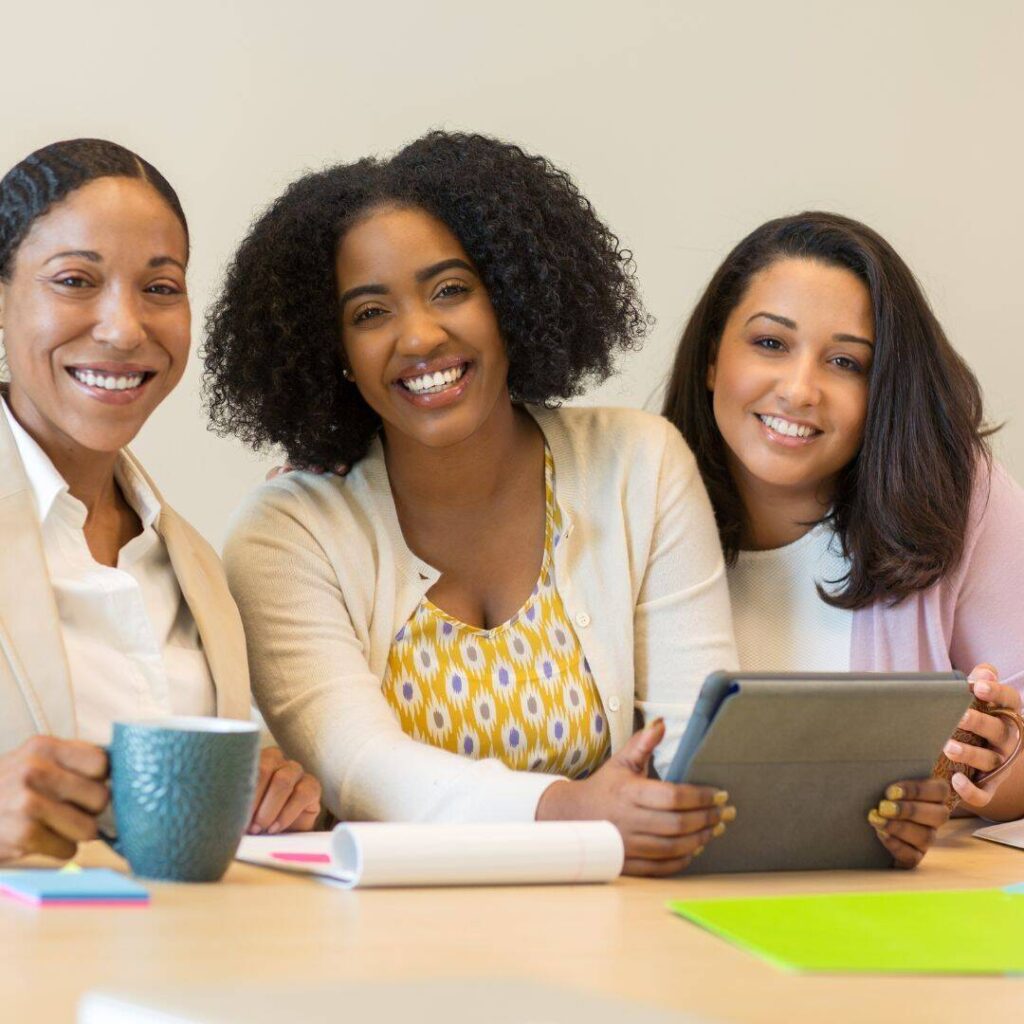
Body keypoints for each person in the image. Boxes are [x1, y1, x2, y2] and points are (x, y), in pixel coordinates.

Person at [207, 131, 738, 876]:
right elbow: (361, 769)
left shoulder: (639, 466)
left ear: (512, 298)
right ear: (333, 353)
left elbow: (697, 748)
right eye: (369, 314)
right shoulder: (286, 532)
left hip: (620, 920)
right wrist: (569, 810)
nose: (420, 335)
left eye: (450, 290)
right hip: (380, 940)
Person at [663, 211, 1024, 868]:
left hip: (888, 910)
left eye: (845, 361)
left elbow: (1013, 758)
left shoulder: (958, 492)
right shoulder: (631, 491)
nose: (800, 390)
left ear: (882, 386)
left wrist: (994, 770)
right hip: (664, 902)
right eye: (771, 344)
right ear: (714, 356)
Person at [0, 139, 321, 863]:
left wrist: (264, 787)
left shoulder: (196, 567)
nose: (123, 327)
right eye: (76, 280)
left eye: (160, 287)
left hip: (176, 962)